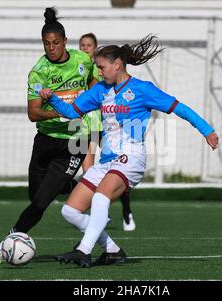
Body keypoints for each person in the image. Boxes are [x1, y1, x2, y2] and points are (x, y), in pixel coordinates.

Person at [40, 34, 219, 267]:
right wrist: (52, 98)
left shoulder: (142, 89)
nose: (99, 72)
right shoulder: (100, 91)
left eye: (102, 68)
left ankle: (83, 250)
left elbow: (180, 108)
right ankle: (112, 250)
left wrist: (207, 130)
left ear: (117, 65)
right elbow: (72, 111)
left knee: (101, 197)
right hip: (107, 161)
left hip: (131, 157)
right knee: (70, 211)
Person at [0, 7, 99, 265]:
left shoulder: (82, 60)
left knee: (40, 203)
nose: (51, 48)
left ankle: (8, 240)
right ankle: (81, 186)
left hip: (75, 138)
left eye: (56, 43)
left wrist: (90, 105)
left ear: (65, 41)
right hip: (46, 140)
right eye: (46, 44)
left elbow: (93, 82)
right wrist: (61, 113)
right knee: (35, 195)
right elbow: (33, 113)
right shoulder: (39, 72)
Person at [79, 32, 137, 232]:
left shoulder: (100, 72)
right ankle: (100, 211)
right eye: (82, 45)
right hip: (86, 124)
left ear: (94, 48)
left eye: (88, 45)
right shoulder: (77, 68)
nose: (84, 48)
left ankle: (126, 210)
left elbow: (105, 92)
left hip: (106, 125)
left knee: (117, 166)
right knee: (88, 170)